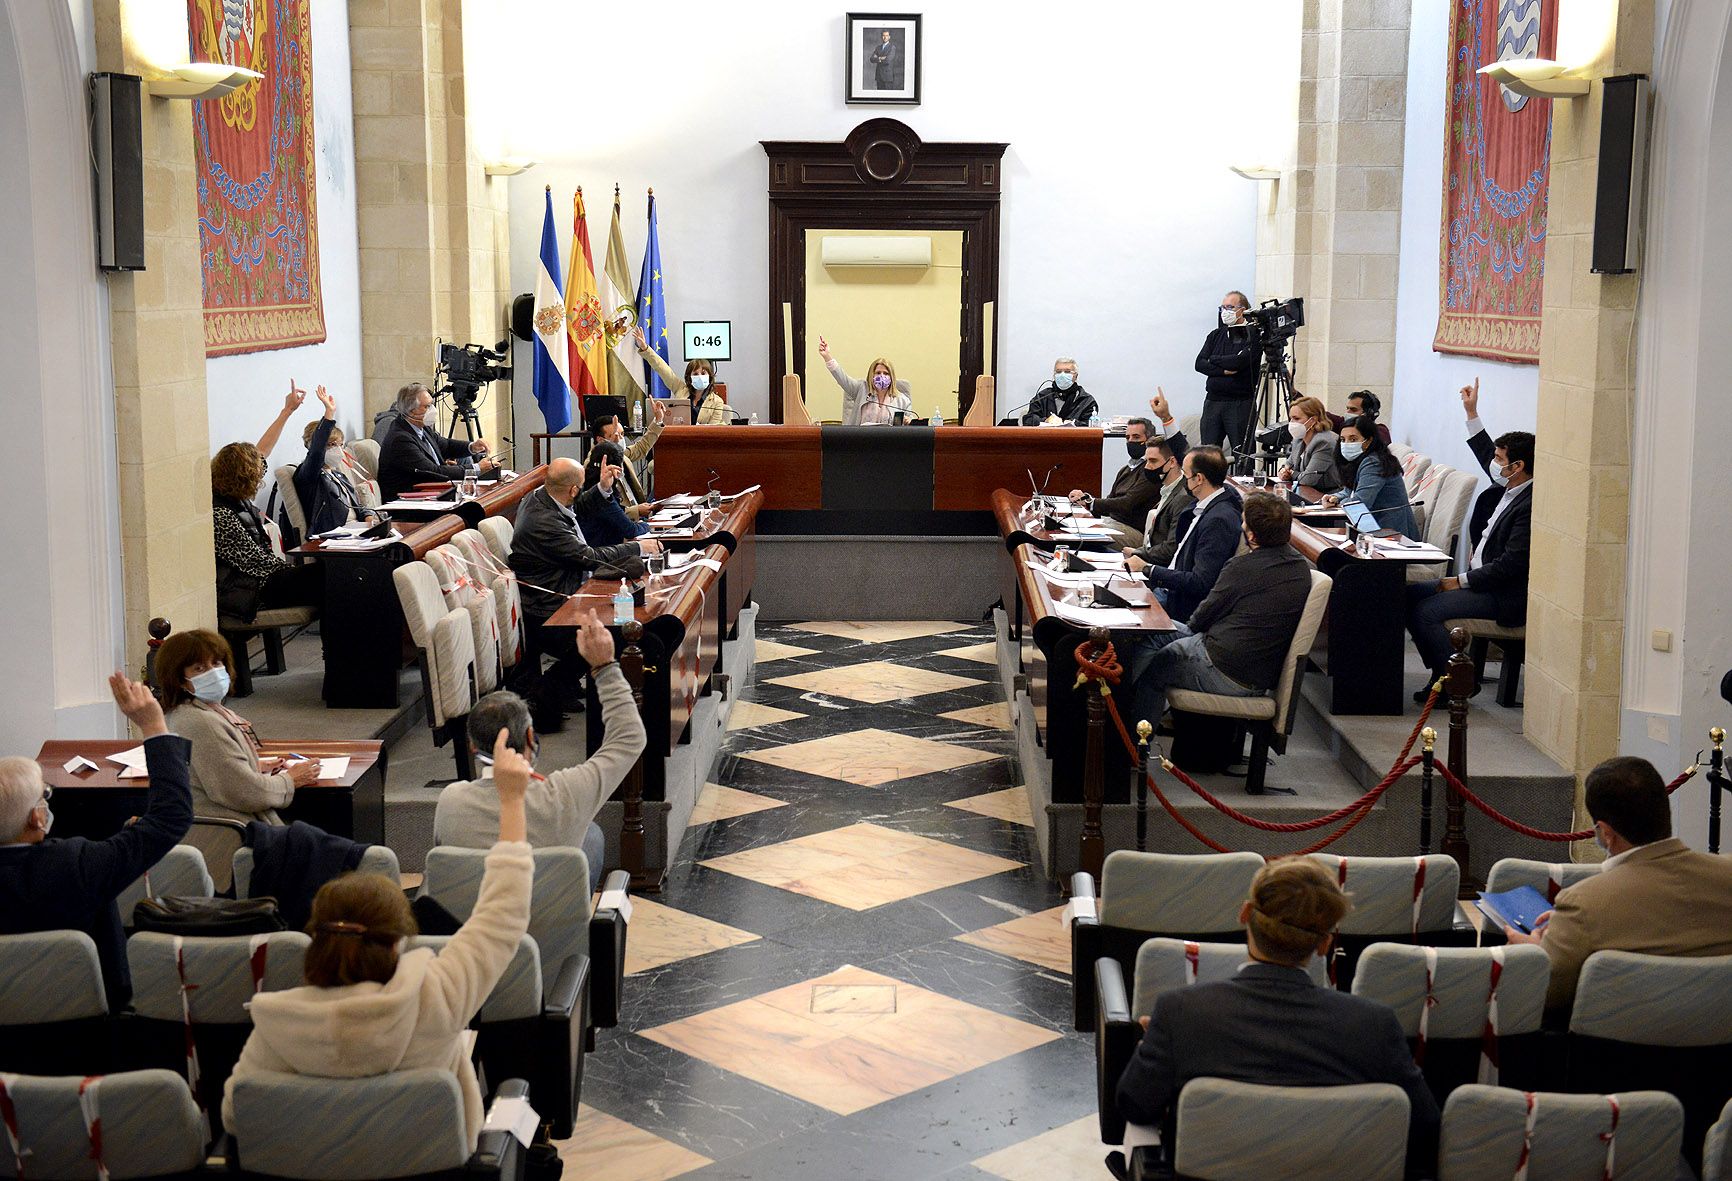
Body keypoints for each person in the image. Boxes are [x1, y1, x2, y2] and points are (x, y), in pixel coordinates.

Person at [223, 728, 534, 1154]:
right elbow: (503, 914)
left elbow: (237, 1116)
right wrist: (512, 800)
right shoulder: (437, 998)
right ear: (397, 943)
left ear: (315, 940)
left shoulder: (275, 1028)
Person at [1115, 857, 1438, 1179]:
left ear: (1245, 915)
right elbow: (1425, 1127)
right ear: (1325, 944)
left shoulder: (1181, 1012)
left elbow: (1134, 1106)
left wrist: (1154, 1046)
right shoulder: (1374, 1025)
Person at [0, 672, 193, 1013]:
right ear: (37, 817)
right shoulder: (77, 864)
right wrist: (153, 726)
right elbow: (170, 818)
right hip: (92, 1030)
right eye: (45, 795)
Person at [1502, 756, 1732, 1013]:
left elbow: (1545, 998)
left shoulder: (1582, 903)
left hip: (1615, 1051)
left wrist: (1534, 954)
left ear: (1605, 832)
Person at [435, 613, 645, 891]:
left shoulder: (451, 801)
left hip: (474, 928)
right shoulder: (565, 794)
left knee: (590, 835)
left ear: (473, 745)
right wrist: (604, 666)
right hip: (552, 929)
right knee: (590, 835)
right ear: (530, 737)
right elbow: (629, 738)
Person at [1123, 492, 1312, 728]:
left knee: (1155, 663)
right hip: (1254, 669)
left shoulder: (1243, 566)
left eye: (1244, 522)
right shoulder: (1300, 568)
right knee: (1158, 633)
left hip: (1224, 668)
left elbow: (1200, 620)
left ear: (1251, 534)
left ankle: (1131, 742)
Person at [156, 628, 319, 884]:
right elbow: (244, 793)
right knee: (340, 853)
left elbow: (214, 768)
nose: (212, 673)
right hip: (234, 837)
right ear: (179, 679)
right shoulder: (201, 722)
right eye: (199, 669)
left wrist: (251, 764)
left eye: (216, 663)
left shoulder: (194, 712)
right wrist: (290, 780)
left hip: (239, 829)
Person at [509, 457, 661, 731]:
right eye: (580, 486)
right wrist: (638, 548)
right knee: (617, 629)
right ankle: (550, 688)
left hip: (565, 588)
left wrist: (602, 488)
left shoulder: (540, 496)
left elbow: (577, 503)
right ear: (572, 489)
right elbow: (589, 557)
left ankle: (564, 685)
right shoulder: (545, 522)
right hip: (549, 605)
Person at [1404, 380, 1534, 699]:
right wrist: (1471, 412)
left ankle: (1458, 683)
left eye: (1501, 460)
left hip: (1502, 594)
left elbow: (1510, 566)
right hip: (1478, 582)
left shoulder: (1530, 504)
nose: (1495, 463)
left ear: (1517, 467)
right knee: (1406, 596)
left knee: (1428, 611)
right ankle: (1442, 670)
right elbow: (1484, 450)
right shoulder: (1508, 484)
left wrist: (1459, 581)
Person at [213, 404, 325, 622]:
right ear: (243, 479)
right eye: (256, 477)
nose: (259, 480)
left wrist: (287, 412)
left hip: (266, 578)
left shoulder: (233, 496)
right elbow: (256, 564)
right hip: (255, 590)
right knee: (331, 577)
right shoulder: (222, 515)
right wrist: (291, 570)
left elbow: (262, 452)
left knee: (336, 576)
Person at [1129, 446, 1240, 624]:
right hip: (1166, 588)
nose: (1183, 478)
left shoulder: (1219, 520)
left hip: (1177, 604)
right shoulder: (1202, 506)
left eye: (1185, 473)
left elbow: (1200, 581)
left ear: (1198, 479)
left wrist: (1148, 569)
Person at [377, 383, 496, 499]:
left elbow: (446, 445)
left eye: (432, 405)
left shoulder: (422, 427)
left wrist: (473, 446)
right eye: (427, 407)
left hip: (432, 491)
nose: (432, 410)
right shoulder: (400, 439)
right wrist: (476, 468)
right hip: (411, 500)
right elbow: (433, 471)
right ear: (411, 411)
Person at [294, 384, 377, 537]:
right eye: (331, 445)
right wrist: (329, 412)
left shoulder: (338, 475)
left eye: (340, 445)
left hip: (356, 531)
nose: (338, 450)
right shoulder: (309, 474)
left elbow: (357, 506)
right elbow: (316, 452)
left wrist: (369, 518)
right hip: (332, 536)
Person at [1068, 418, 1164, 546]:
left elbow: (1127, 503)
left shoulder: (1151, 470)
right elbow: (1110, 502)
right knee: (1071, 526)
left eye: (1136, 437)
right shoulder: (1125, 469)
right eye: (1127, 437)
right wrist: (1084, 503)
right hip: (1112, 522)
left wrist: (1091, 503)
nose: (1130, 441)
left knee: (1080, 537)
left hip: (1133, 531)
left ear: (1149, 440)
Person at [1323, 414, 1416, 540]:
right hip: (1373, 529)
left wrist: (1340, 504)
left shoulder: (1374, 463)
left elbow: (1359, 503)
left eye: (1353, 439)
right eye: (1343, 440)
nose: (1346, 444)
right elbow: (1349, 491)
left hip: (1391, 532)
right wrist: (1334, 498)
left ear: (1368, 441)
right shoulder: (1360, 460)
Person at [1194, 291, 1260, 451]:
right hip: (1213, 401)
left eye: (1230, 307)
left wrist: (1214, 359)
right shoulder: (1216, 335)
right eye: (1223, 307)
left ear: (1242, 310)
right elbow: (1199, 363)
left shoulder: (1254, 335)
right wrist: (1223, 371)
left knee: (1242, 453)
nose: (1225, 311)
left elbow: (1239, 362)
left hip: (1240, 403)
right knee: (1207, 454)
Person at [634, 326, 730, 424]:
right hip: (678, 436)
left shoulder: (717, 402)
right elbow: (662, 368)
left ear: (710, 377)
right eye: (695, 374)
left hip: (702, 439)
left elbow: (714, 431)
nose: (700, 376)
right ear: (689, 377)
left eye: (703, 373)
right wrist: (645, 348)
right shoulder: (680, 389)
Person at [1126, 438, 1195, 566]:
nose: (1147, 467)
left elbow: (1172, 548)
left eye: (1153, 461)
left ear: (1172, 462)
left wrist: (1139, 553)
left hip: (1159, 568)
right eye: (1146, 461)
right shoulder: (1166, 490)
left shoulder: (1183, 498)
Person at [816, 335, 912, 426]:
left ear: (892, 377)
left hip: (890, 442)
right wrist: (827, 356)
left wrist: (909, 421)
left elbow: (910, 425)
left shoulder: (902, 400)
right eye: (878, 373)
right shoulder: (861, 389)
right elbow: (842, 378)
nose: (882, 376)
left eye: (886, 373)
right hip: (860, 441)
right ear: (872, 375)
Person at [593, 399, 667, 516]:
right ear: (601, 440)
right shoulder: (593, 466)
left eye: (622, 434)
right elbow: (602, 512)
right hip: (625, 524)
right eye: (615, 435)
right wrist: (636, 511)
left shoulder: (620, 455)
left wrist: (658, 420)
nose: (620, 439)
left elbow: (641, 447)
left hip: (640, 518)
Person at [577, 441, 649, 546]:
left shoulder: (584, 486)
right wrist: (644, 525)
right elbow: (630, 530)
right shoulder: (601, 494)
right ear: (618, 468)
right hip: (603, 555)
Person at [1022, 358, 1098, 426]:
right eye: (1058, 372)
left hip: (1074, 440)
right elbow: (1028, 419)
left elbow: (1090, 425)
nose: (1062, 375)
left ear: (1076, 376)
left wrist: (1072, 423)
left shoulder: (1087, 401)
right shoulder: (1042, 396)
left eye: (1067, 372)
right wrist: (1046, 420)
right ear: (1054, 376)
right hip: (1045, 439)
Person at [1328, 389, 1392, 446]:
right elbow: (1324, 415)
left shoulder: (1381, 432)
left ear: (1368, 413)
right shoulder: (1346, 425)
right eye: (1347, 408)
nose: (1347, 412)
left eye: (1353, 410)